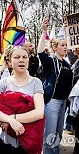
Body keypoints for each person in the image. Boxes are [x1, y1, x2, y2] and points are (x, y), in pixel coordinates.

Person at [0, 45, 45, 154]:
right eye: (17, 57)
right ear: (9, 61)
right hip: (6, 140)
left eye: (24, 57)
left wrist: (12, 118)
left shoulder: (36, 82)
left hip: (28, 139)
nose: (21, 60)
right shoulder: (4, 83)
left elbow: (39, 112)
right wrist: (11, 121)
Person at [37, 16, 73, 154]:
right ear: (54, 47)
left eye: (66, 45)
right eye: (62, 45)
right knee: (50, 134)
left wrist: (66, 29)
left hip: (63, 102)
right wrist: (44, 31)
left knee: (58, 134)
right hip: (52, 102)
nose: (65, 47)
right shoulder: (51, 62)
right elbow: (40, 52)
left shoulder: (67, 64)